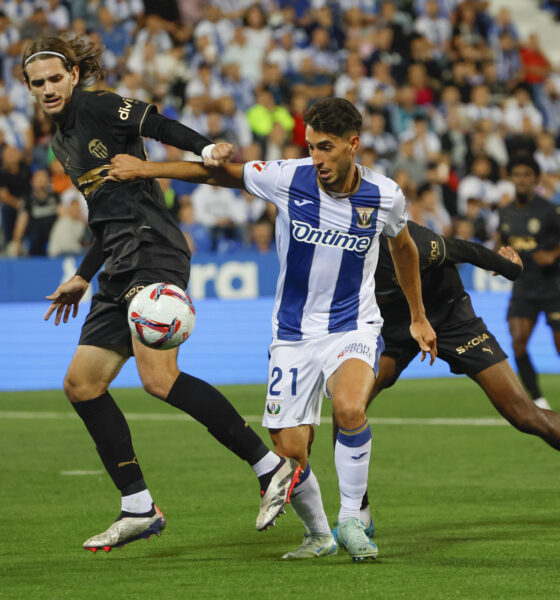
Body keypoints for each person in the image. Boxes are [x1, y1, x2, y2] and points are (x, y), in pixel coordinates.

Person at [107, 97, 438, 562]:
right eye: (311, 147)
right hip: (292, 333)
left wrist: (418, 315)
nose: (316, 158)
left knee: (348, 407)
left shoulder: (385, 195)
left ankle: (351, 520)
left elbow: (403, 248)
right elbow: (215, 174)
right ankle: (320, 533)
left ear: (353, 145)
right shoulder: (287, 176)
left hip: (353, 325)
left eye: (326, 148)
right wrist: (146, 169)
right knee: (290, 450)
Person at [22, 35, 300, 552]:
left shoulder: (100, 105)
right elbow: (103, 213)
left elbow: (156, 122)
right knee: (82, 384)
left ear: (74, 77)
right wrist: (84, 273)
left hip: (153, 250)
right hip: (116, 264)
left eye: (54, 79)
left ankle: (271, 467)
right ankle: (138, 506)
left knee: (158, 378)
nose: (47, 89)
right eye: (37, 84)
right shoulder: (60, 139)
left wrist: (206, 147)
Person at [331, 220, 560, 541]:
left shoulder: (408, 240)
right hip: (393, 328)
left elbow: (462, 249)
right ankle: (357, 515)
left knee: (524, 415)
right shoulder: (334, 252)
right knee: (346, 406)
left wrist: (510, 269)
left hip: (451, 319)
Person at [498, 153, 560, 410]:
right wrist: (497, 260)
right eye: (517, 175)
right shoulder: (505, 213)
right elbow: (501, 244)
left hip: (552, 287)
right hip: (523, 288)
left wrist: (554, 254)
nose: (521, 180)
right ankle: (538, 401)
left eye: (527, 175)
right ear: (511, 179)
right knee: (518, 342)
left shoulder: (550, 210)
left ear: (536, 179)